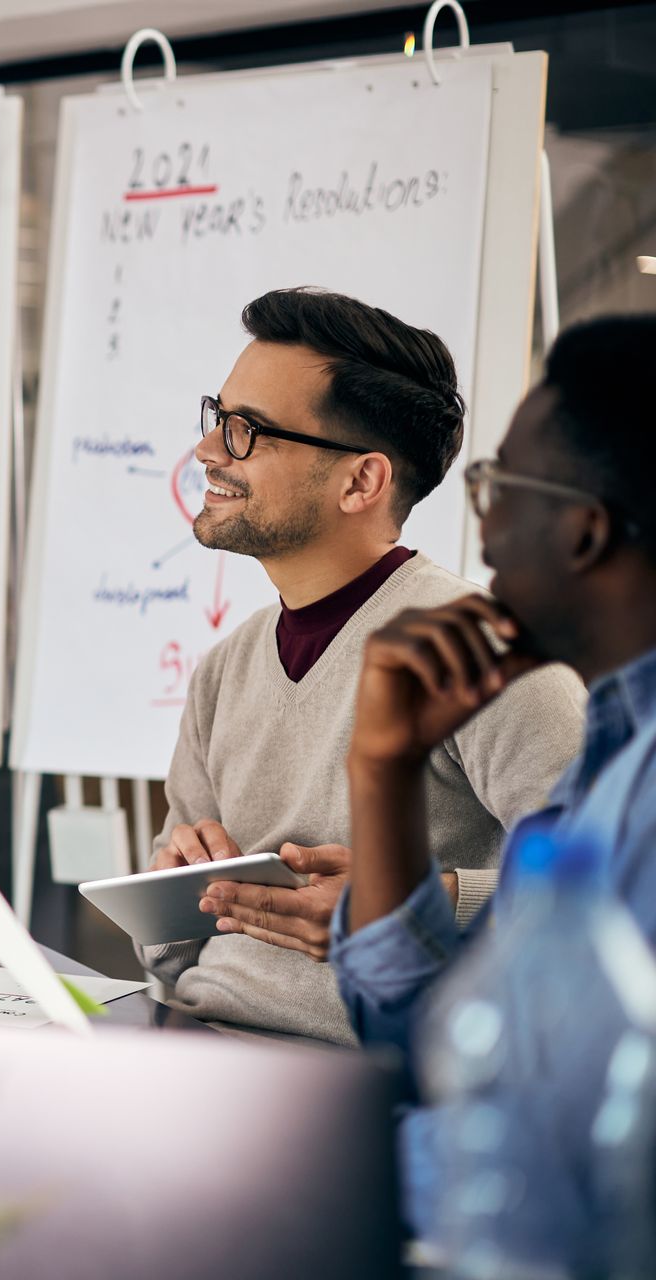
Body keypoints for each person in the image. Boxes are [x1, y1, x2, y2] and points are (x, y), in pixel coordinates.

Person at [140, 288, 585, 1041]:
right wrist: (168, 888)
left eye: (248, 431)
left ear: (361, 482)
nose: (210, 452)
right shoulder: (225, 671)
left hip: (373, 1086)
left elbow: (612, 888)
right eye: (219, 417)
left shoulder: (482, 652)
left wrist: (420, 904)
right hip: (200, 1047)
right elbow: (164, 955)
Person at [331, 314, 656, 1264]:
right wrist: (383, 771)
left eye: (497, 486)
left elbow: (542, 1147)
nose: (483, 524)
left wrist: (328, 1166)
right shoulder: (611, 750)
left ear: (584, 532)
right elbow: (424, 1034)